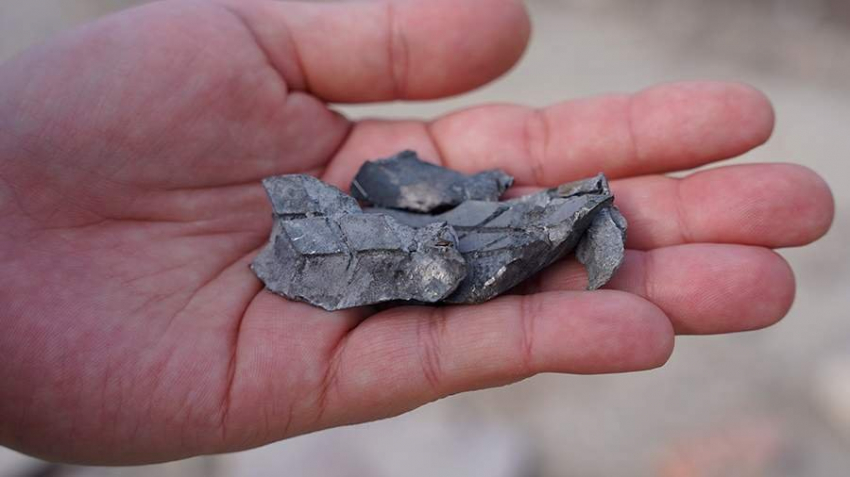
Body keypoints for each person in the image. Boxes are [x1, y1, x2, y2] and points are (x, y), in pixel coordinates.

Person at [0, 0, 834, 465]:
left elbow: (435, 240)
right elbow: (417, 248)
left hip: (451, 227)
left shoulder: (408, 213)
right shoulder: (331, 224)